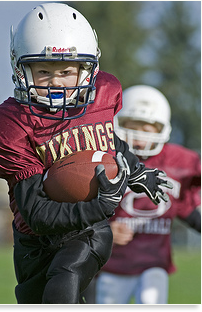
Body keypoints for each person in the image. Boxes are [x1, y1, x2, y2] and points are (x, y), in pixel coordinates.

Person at [0, 4, 171, 304]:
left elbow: (110, 145)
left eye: (66, 72)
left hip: (86, 230)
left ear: (87, 70)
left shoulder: (102, 98)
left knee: (64, 281)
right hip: (34, 239)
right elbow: (38, 214)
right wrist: (101, 205)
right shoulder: (10, 125)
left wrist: (136, 171)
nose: (56, 82)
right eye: (43, 71)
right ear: (21, 69)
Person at [96, 85, 201, 304]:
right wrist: (102, 231)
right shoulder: (103, 159)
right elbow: (82, 210)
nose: (139, 139)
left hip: (154, 263)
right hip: (113, 263)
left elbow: (186, 206)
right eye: (131, 127)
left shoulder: (179, 161)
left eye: (147, 129)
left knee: (151, 298)